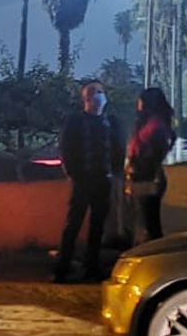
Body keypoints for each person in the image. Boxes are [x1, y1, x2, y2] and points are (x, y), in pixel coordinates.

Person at [54, 80, 125, 283]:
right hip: (82, 180)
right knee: (73, 224)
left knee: (98, 226)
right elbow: (66, 149)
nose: (99, 96)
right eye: (94, 92)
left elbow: (119, 148)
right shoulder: (75, 122)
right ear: (86, 98)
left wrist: (116, 173)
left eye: (101, 91)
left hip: (104, 180)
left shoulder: (111, 122)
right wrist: (73, 174)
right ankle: (62, 269)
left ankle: (91, 268)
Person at [127, 88, 177, 243]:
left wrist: (135, 168)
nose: (138, 103)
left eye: (141, 100)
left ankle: (153, 257)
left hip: (147, 178)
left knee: (149, 223)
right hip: (149, 177)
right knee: (149, 220)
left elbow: (150, 154)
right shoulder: (155, 123)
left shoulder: (154, 126)